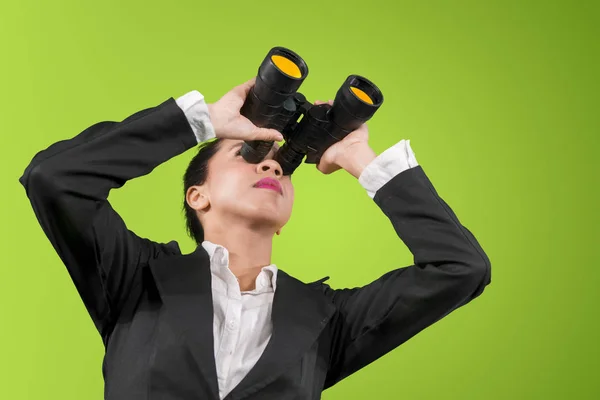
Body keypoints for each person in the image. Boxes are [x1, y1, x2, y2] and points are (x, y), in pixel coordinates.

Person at [19, 77, 492, 400]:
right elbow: (54, 178)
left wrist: (358, 158)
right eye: (247, 153)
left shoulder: (329, 321)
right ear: (196, 196)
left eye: (283, 166)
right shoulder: (136, 281)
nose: (270, 164)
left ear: (283, 218)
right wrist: (201, 121)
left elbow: (460, 269)